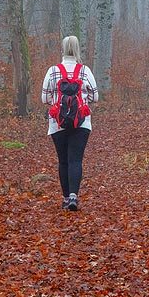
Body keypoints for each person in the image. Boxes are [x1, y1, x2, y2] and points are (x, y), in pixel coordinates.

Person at [41, 36, 98, 211]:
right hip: (81, 123)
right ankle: (74, 196)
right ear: (77, 49)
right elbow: (95, 97)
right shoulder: (85, 71)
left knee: (63, 161)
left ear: (63, 49)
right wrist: (82, 100)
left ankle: (66, 198)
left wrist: (58, 102)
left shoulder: (52, 71)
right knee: (75, 159)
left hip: (57, 123)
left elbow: (45, 98)